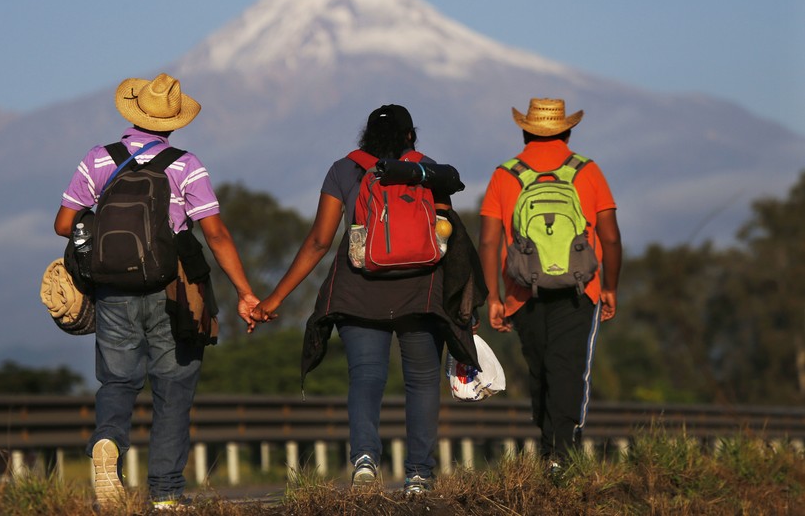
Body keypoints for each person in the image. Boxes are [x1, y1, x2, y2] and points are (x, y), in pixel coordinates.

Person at [54, 73, 261, 510]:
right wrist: (245, 291)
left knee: (117, 379)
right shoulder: (186, 165)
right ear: (173, 122)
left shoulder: (98, 158)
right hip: (174, 292)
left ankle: (107, 442)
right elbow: (217, 234)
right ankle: (166, 495)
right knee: (173, 386)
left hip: (112, 289)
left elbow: (62, 224)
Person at [253, 104, 473, 496]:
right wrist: (462, 301)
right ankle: (419, 475)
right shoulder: (426, 168)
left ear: (365, 136)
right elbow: (444, 231)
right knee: (421, 382)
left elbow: (320, 240)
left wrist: (274, 298)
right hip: (419, 290)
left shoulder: (344, 169)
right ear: (410, 136)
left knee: (366, 378)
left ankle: (365, 461)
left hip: (358, 288)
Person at [478, 98, 622, 471]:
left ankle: (549, 451)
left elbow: (490, 242)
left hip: (523, 291)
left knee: (540, 367)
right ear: (568, 131)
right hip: (580, 290)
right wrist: (609, 287)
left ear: (525, 130)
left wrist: (493, 296)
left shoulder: (505, 175)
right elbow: (610, 237)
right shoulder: (588, 172)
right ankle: (563, 453)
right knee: (569, 368)